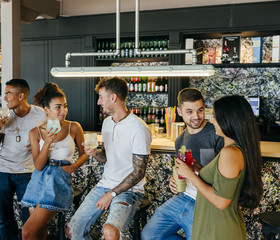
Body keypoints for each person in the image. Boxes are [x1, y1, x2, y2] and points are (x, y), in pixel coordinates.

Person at [68, 77, 152, 240]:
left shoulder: (139, 129)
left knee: (110, 231)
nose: (99, 102)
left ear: (113, 97)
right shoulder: (107, 123)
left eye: (101, 97)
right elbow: (107, 158)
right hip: (105, 185)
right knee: (72, 230)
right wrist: (96, 154)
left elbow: (138, 173)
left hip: (130, 191)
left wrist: (111, 194)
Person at [176, 95, 263, 240]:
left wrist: (190, 175)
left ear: (228, 120)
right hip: (216, 223)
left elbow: (221, 201)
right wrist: (199, 168)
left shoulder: (229, 153)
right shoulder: (234, 150)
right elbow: (223, 182)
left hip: (217, 227)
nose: (211, 120)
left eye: (215, 116)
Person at [142, 88, 223, 240]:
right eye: (189, 111)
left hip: (206, 202)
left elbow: (224, 178)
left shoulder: (217, 133)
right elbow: (182, 171)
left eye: (200, 110)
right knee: (149, 235)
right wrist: (175, 181)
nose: (196, 117)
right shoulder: (180, 140)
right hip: (185, 196)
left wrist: (195, 172)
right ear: (179, 111)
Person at [20, 82, 88, 240]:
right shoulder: (35, 132)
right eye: (58, 107)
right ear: (46, 110)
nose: (63, 111)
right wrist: (48, 143)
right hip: (38, 181)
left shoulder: (74, 127)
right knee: (38, 231)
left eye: (65, 106)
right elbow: (38, 165)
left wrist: (73, 167)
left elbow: (84, 154)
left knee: (27, 231)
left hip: (59, 180)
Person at [0, 78, 46, 240]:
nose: (4, 97)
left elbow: (52, 137)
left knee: (29, 216)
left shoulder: (41, 114)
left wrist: (40, 143)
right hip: (3, 171)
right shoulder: (2, 115)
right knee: (5, 217)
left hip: (28, 172)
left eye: (8, 93)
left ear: (21, 96)